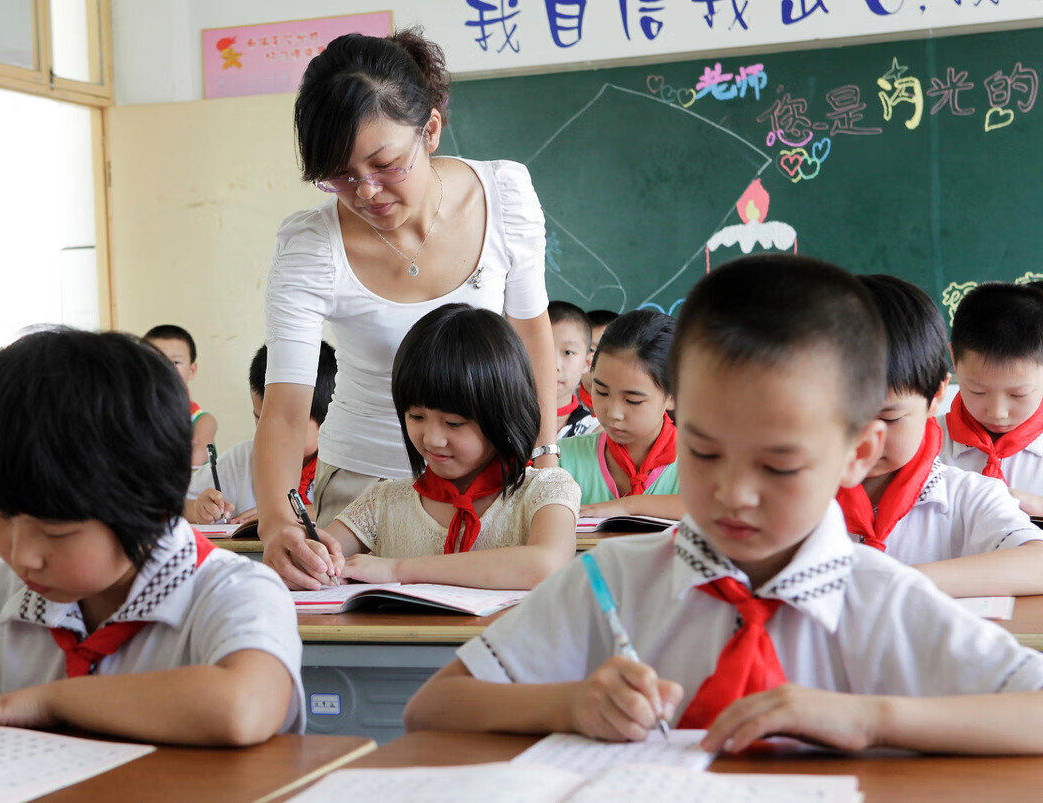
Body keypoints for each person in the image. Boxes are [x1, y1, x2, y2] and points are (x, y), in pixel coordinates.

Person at [404, 255, 1043, 755]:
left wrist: (870, 718)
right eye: (704, 454)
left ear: (858, 451)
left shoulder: (884, 599)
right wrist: (567, 705)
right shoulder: (613, 580)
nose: (734, 493)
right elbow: (432, 708)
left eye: (779, 464)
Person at [0, 329, 304, 745]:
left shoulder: (236, 591)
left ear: (152, 504)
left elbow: (241, 706)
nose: (22, 556)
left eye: (55, 532)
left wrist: (46, 702)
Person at [257, 28, 558, 591]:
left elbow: (531, 337)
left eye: (385, 164)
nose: (367, 192)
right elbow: (286, 406)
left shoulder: (504, 197)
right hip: (360, 491)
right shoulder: (310, 247)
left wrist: (542, 459)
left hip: (490, 483)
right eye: (341, 176)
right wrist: (278, 520)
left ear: (431, 131)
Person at [319, 304, 579, 589]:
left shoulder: (546, 490)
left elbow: (545, 565)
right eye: (416, 416)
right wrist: (309, 559)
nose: (432, 439)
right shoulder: (382, 502)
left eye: (453, 423)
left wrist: (398, 569)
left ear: (504, 414)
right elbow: (317, 560)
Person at [836, 276, 1043, 597]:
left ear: (936, 394)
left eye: (889, 418)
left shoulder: (968, 494)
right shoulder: (786, 494)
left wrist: (886, 584)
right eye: (840, 417)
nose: (865, 439)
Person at [185, 342, 337, 526]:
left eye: (287, 425)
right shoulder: (241, 459)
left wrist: (295, 512)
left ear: (329, 419)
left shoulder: (351, 466)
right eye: (259, 419)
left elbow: (371, 517)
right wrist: (196, 510)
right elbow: (170, 504)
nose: (270, 434)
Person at [559, 309, 683, 520]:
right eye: (601, 392)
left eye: (633, 400)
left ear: (673, 395)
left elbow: (718, 509)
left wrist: (629, 506)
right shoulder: (563, 459)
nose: (613, 413)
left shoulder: (704, 461)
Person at [939, 283, 1043, 515]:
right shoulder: (924, 441)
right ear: (954, 358)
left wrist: (1036, 506)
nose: (997, 412)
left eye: (1018, 394)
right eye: (978, 391)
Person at [144, 324, 218, 467]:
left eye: (175, 362)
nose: (165, 368)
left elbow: (192, 461)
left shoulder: (202, 421)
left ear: (191, 370)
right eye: (155, 360)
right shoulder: (130, 416)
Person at [550, 301, 599, 439]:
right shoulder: (500, 422)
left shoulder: (594, 433)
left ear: (587, 362)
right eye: (543, 350)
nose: (555, 366)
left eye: (568, 353)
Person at [578, 310, 619, 409]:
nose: (599, 359)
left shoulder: (641, 411)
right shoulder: (559, 404)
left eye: (609, 351)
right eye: (592, 350)